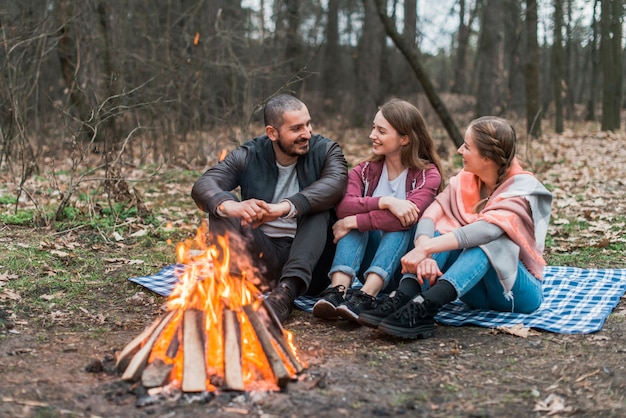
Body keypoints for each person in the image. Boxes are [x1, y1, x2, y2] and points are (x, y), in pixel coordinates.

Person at [356, 116, 553, 338]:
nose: (460, 150)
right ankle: (403, 297)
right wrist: (425, 251)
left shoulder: (523, 189)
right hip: (473, 292)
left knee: (491, 241)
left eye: (467, 147)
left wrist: (427, 249)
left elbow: (487, 230)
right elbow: (431, 214)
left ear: (486, 158)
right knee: (442, 232)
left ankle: (426, 306)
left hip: (517, 294)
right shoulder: (466, 180)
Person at [191, 94, 348, 323]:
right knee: (222, 208)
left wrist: (284, 207)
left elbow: (336, 184)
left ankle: (286, 293)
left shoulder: (325, 150)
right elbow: (204, 185)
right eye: (296, 128)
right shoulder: (249, 154)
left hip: (311, 266)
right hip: (262, 259)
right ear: (272, 133)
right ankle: (235, 288)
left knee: (319, 209)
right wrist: (232, 206)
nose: (307, 134)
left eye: (308, 124)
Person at [312, 99, 443, 322]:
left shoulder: (427, 175)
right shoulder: (363, 171)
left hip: (404, 270)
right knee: (354, 224)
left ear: (404, 138)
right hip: (365, 262)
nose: (373, 135)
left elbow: (407, 220)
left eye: (381, 131)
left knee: (396, 224)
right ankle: (337, 292)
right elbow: (344, 207)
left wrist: (354, 221)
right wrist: (385, 201)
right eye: (374, 127)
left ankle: (366, 296)